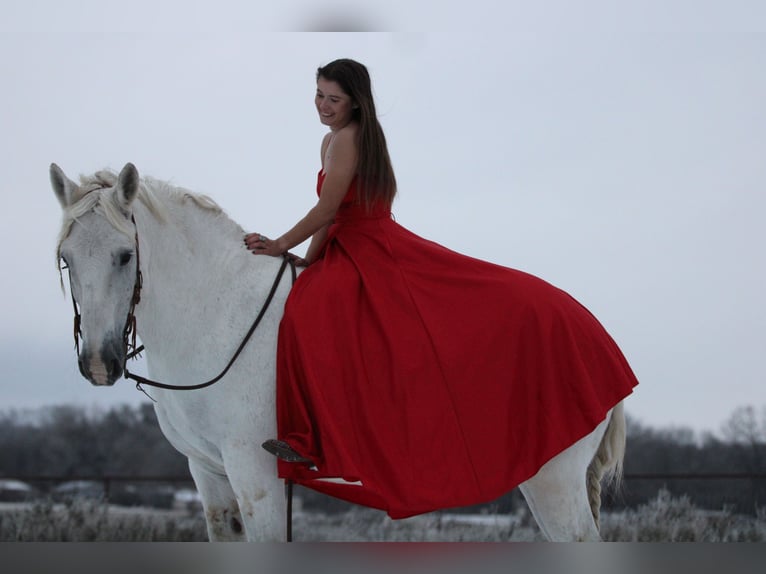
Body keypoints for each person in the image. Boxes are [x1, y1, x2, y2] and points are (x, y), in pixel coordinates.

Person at [244, 58, 638, 519]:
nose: (324, 106)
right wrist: (307, 261)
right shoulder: (332, 139)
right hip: (348, 244)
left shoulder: (348, 139)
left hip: (368, 247)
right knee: (310, 296)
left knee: (308, 313)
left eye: (334, 99)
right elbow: (330, 214)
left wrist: (278, 244)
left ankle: (309, 439)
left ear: (355, 101)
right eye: (318, 95)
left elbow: (328, 209)